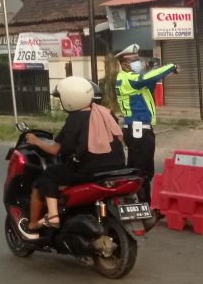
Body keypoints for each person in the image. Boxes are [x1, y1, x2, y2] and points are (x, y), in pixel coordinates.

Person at [18, 76, 126, 239]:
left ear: (69, 99)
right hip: (117, 167)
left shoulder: (75, 119)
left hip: (88, 171)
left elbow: (55, 150)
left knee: (49, 175)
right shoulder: (106, 112)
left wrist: (35, 141)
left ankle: (47, 219)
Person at [114, 44, 178, 204]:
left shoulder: (129, 79)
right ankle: (143, 205)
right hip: (139, 130)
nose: (137, 62)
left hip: (135, 129)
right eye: (132, 60)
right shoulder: (129, 78)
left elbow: (148, 83)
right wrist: (171, 67)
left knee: (134, 169)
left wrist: (153, 70)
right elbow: (146, 79)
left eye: (137, 59)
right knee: (144, 172)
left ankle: (130, 202)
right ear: (123, 64)